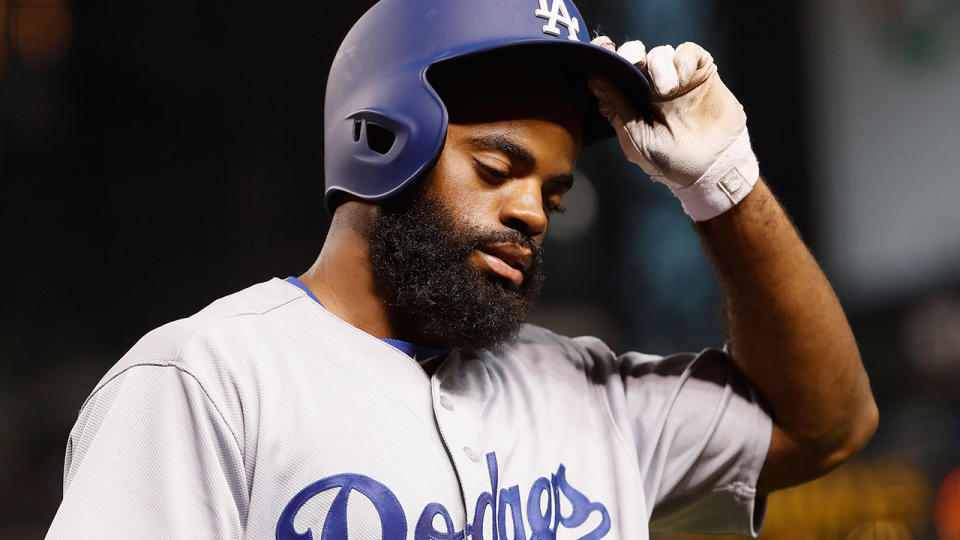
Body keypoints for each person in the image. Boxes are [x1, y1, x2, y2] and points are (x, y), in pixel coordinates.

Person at [47, 0, 878, 538]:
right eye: (496, 167)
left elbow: (827, 424)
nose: (530, 211)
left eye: (552, 193)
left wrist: (722, 185)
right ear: (380, 138)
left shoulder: (591, 393)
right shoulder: (209, 382)